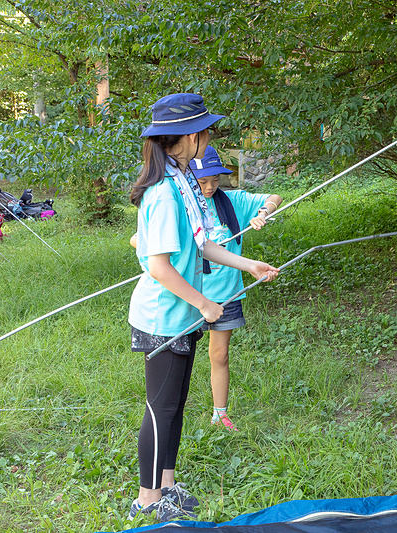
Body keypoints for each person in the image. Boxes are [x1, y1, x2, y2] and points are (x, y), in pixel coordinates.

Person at [127, 93, 279, 522]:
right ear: (192, 135)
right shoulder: (162, 193)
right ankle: (148, 499)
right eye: (207, 129)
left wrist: (248, 264)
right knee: (162, 408)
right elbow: (157, 266)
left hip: (185, 312)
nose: (210, 135)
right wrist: (206, 303)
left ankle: (168, 485)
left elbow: (203, 243)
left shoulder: (183, 181)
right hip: (163, 317)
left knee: (174, 404)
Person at [190, 146, 283, 431]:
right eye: (202, 181)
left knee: (220, 355)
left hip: (226, 293)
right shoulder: (182, 207)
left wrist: (263, 213)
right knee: (180, 355)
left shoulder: (233, 201)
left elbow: (274, 197)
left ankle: (220, 414)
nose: (209, 187)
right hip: (191, 293)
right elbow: (140, 239)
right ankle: (171, 410)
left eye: (214, 180)